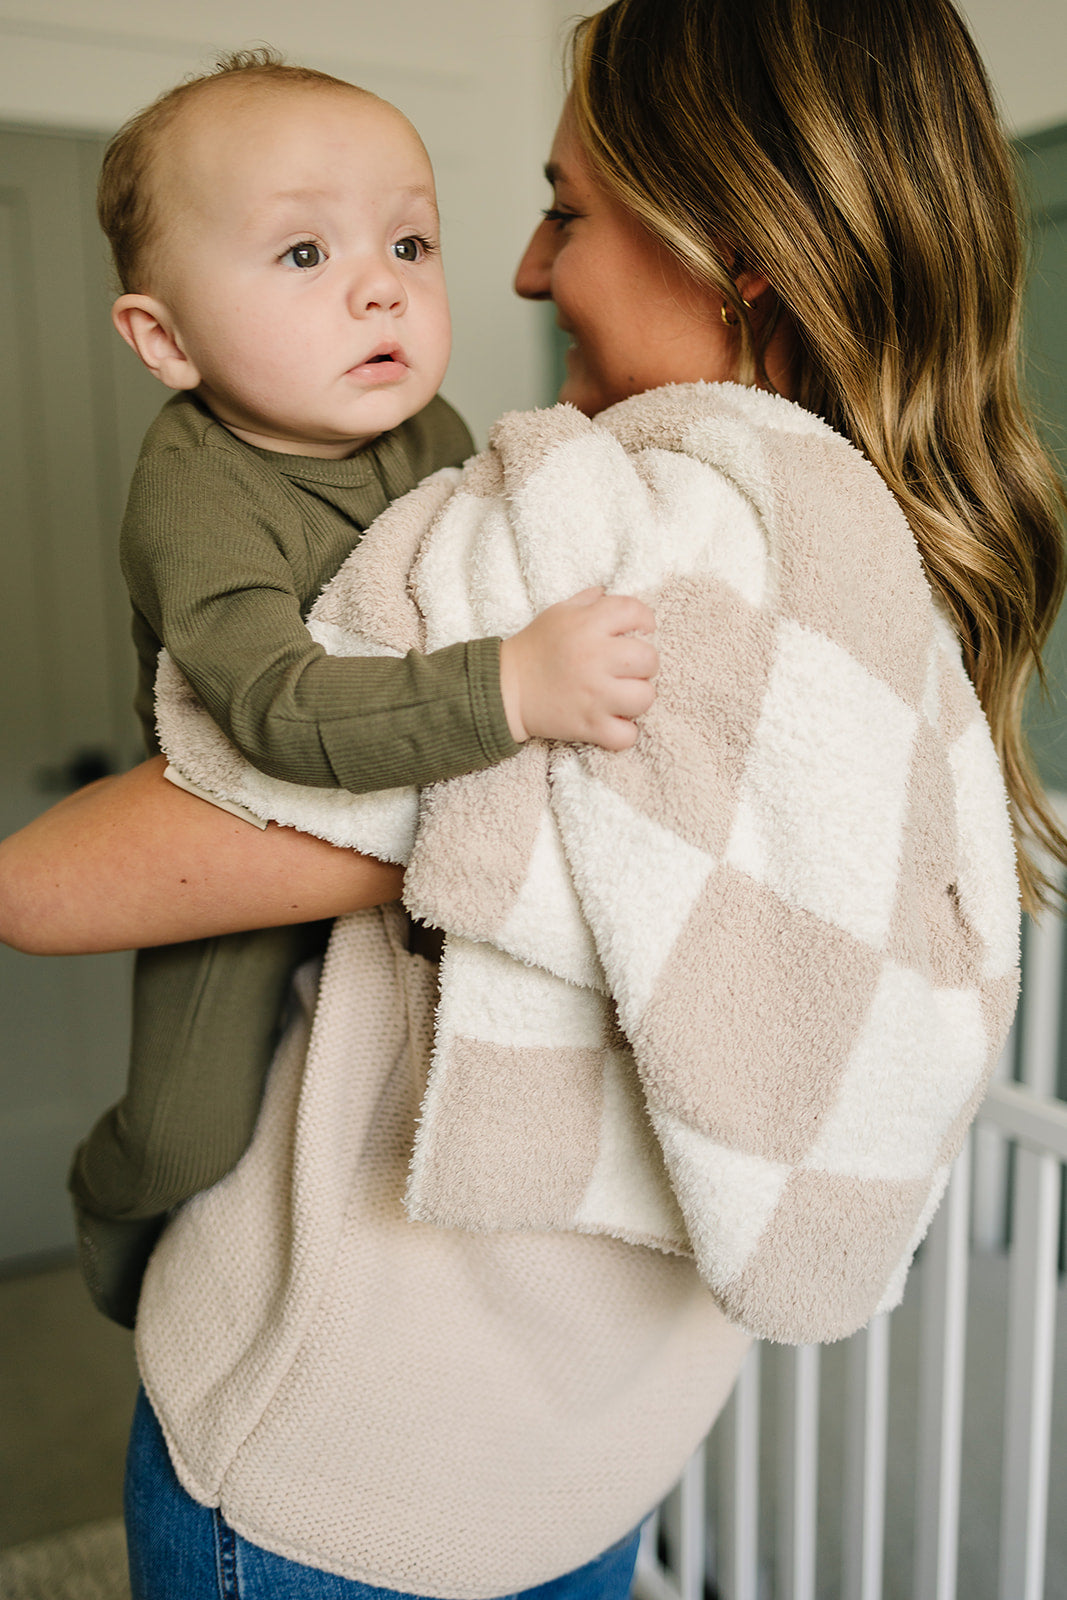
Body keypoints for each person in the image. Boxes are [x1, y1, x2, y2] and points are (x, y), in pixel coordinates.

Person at [2, 1, 1065, 1596]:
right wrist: (573, 811)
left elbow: (49, 884)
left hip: (338, 1474)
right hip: (606, 1448)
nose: (515, 269)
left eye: (561, 208)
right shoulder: (900, 574)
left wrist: (516, 773)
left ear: (735, 245)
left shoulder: (556, 535)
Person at [73, 51, 659, 1329]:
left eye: (409, 240)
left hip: (402, 815)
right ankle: (115, 1238)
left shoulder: (431, 429)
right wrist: (509, 686)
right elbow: (276, 710)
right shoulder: (197, 492)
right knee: (189, 1131)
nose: (377, 287)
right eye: (301, 255)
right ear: (163, 339)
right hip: (243, 835)